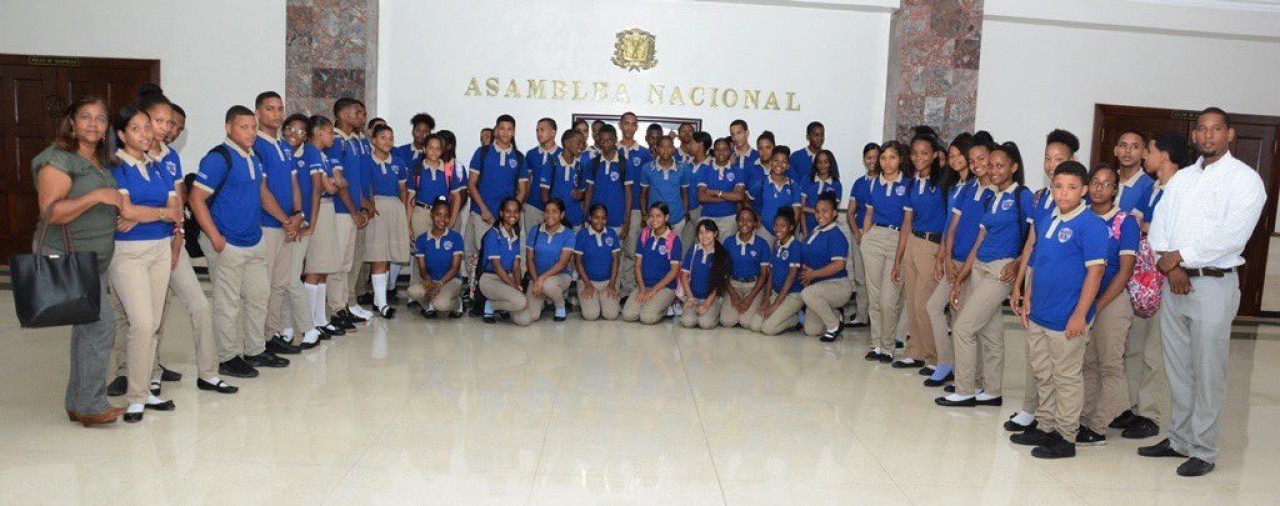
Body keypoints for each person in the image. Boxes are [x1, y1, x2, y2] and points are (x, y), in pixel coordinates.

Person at [1139, 107, 1266, 477]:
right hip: (1174, 280)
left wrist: (1184, 257)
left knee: (1208, 369)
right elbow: (1160, 226)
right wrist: (1173, 265)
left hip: (1213, 282)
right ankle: (1179, 437)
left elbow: (1232, 235)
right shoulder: (1182, 180)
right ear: (1194, 136)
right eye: (1202, 130)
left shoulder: (1245, 181)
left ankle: (1204, 448)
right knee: (1178, 366)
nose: (1208, 135)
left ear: (1230, 135)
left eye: (1217, 129)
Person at [33, 96, 128, 426]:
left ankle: (77, 402)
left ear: (106, 128)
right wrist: (96, 197)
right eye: (85, 117)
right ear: (71, 122)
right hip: (71, 257)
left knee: (86, 328)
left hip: (93, 260)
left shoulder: (98, 161)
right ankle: (91, 403)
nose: (93, 123)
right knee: (102, 325)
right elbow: (50, 211)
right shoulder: (58, 159)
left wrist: (113, 214)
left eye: (100, 119)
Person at [1009, 160, 1109, 460]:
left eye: (1072, 187)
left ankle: (1066, 436)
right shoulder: (1050, 218)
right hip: (1040, 311)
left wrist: (1080, 314)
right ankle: (1046, 424)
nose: (1064, 193)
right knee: (1043, 372)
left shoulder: (1091, 225)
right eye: (1058, 186)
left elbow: (1096, 273)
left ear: (1085, 190)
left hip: (1067, 318)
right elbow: (1037, 262)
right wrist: (1028, 297)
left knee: (1066, 377)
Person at [190, 105, 287, 380]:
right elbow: (195, 199)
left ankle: (255, 350)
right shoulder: (218, 158)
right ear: (228, 127)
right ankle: (227, 357)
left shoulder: (253, 156)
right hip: (226, 242)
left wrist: (285, 218)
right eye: (243, 126)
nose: (250, 132)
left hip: (253, 240)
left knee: (259, 296)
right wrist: (216, 238)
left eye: (253, 127)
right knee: (227, 303)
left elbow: (262, 193)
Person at [936, 141, 1031, 408]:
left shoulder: (1021, 196)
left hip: (1001, 271)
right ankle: (991, 390)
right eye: (991, 165)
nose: (994, 170)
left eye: (1000, 165)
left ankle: (965, 390)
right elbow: (979, 240)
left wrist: (1018, 262)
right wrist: (960, 278)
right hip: (979, 266)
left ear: (1013, 167)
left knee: (964, 328)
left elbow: (1033, 238)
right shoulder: (991, 197)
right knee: (990, 333)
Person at [107, 105, 183, 421]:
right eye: (136, 128)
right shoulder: (116, 168)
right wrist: (158, 214)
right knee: (140, 323)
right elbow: (126, 211)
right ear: (122, 135)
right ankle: (136, 395)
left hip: (160, 249)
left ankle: (146, 391)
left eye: (147, 128)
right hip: (128, 254)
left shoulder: (158, 166)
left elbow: (176, 207)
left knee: (152, 324)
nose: (145, 134)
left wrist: (149, 214)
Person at [1112, 132, 1190, 438]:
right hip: (1146, 278)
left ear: (1165, 156)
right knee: (1135, 347)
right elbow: (1138, 221)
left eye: (1150, 151)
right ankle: (1130, 407)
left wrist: (1147, 227)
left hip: (1165, 278)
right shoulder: (1156, 187)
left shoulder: (1181, 189)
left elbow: (1176, 231)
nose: (1145, 156)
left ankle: (1150, 413)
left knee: (1154, 352)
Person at [1006, 128, 1081, 432]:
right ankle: (1032, 410)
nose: (1051, 164)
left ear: (1071, 160)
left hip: (1063, 286)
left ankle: (1055, 421)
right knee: (1035, 351)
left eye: (1058, 158)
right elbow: (1031, 243)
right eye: (1048, 159)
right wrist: (1019, 284)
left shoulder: (1074, 201)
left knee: (1059, 361)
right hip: (1037, 277)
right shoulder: (1040, 198)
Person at [1075, 163, 1141, 447]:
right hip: (1084, 299)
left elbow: (1125, 270)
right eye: (1096, 182)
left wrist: (1098, 305)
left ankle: (1099, 427)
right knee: (1088, 364)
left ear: (1116, 190)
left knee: (1110, 366)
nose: (1100, 188)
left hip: (1112, 301)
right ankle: (1086, 419)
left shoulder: (1125, 222)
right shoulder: (1082, 217)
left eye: (1107, 184)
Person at [253, 92, 306, 356]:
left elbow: (294, 183)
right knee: (263, 285)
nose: (276, 113)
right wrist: (286, 220)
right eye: (270, 109)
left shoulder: (285, 145)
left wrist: (297, 214)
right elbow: (263, 193)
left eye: (279, 108)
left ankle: (271, 333)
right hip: (268, 226)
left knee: (280, 284)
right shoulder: (257, 145)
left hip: (288, 224)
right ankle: (257, 339)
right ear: (258, 113)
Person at [923, 132, 977, 388]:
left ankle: (958, 369)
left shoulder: (978, 188)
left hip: (968, 261)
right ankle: (947, 363)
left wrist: (962, 262)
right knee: (936, 307)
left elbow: (977, 228)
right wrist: (942, 257)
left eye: (959, 155)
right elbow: (949, 224)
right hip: (950, 258)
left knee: (959, 316)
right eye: (951, 155)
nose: (954, 160)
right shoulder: (954, 187)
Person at [891, 133, 947, 370]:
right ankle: (916, 352)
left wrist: (942, 255)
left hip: (932, 246)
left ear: (935, 154)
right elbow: (906, 223)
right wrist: (898, 259)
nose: (918, 157)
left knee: (925, 304)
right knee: (913, 303)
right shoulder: (912, 183)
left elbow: (949, 222)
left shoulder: (944, 183)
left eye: (925, 153)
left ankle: (934, 358)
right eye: (914, 153)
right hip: (913, 242)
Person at [299, 115, 350, 339]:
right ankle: (310, 321)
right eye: (330, 132)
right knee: (315, 268)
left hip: (327, 210)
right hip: (319, 210)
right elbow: (328, 187)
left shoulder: (323, 155)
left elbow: (335, 183)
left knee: (323, 269)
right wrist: (334, 182)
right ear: (319, 132)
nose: (333, 137)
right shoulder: (312, 152)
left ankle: (320, 319)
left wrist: (334, 182)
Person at [861, 141, 911, 362]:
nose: (886, 162)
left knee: (888, 298)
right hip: (874, 239)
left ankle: (888, 346)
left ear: (900, 159)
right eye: (883, 158)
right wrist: (864, 237)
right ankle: (876, 344)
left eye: (891, 157)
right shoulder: (874, 184)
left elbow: (909, 221)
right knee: (874, 297)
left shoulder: (908, 185)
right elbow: (868, 214)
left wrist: (901, 255)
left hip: (897, 239)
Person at [326, 98, 373, 326]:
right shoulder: (337, 141)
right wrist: (354, 210)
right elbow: (340, 181)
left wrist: (362, 204)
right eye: (358, 113)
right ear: (343, 115)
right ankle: (336, 310)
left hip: (351, 210)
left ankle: (343, 306)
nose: (362, 117)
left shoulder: (352, 141)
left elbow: (355, 181)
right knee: (338, 264)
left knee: (346, 263)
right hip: (340, 211)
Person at [467, 115, 524, 284]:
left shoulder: (519, 157)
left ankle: (503, 294)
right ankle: (479, 295)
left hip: (506, 219)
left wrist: (512, 214)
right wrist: (483, 209)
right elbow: (471, 184)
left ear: (513, 131)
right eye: (502, 128)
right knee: (484, 255)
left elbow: (523, 190)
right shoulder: (483, 152)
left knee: (505, 257)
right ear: (496, 130)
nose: (505, 132)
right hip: (483, 214)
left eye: (509, 129)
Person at [365, 124, 412, 318]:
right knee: (378, 256)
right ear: (374, 140)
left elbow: (403, 191)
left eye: (391, 138)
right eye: (383, 137)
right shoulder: (367, 161)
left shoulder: (399, 163)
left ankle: (379, 300)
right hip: (375, 209)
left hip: (394, 210)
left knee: (388, 256)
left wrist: (403, 216)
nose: (387, 141)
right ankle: (383, 305)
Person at [800, 193, 852, 342]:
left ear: (834, 213)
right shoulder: (816, 230)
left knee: (807, 294)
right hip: (819, 286)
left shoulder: (836, 235)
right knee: (811, 330)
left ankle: (834, 325)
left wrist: (813, 275)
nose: (820, 215)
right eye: (817, 211)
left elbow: (839, 265)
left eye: (825, 211)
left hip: (838, 286)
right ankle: (836, 315)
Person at [622, 202, 683, 324]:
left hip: (665, 288)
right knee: (628, 315)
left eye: (658, 216)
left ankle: (668, 306)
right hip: (644, 285)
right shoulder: (644, 235)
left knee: (647, 318)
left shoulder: (673, 239)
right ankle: (652, 303)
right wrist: (642, 288)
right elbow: (638, 265)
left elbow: (674, 271)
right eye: (652, 216)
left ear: (666, 218)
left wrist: (652, 291)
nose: (654, 219)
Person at [747, 208, 804, 335]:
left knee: (768, 329)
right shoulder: (777, 244)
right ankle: (782, 314)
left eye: (783, 225)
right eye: (776, 225)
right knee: (755, 325)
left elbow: (791, 277)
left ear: (791, 227)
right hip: (776, 293)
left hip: (792, 295)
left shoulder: (795, 246)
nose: (778, 229)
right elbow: (771, 274)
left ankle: (796, 319)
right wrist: (767, 300)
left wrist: (775, 305)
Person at [520, 198, 576, 324]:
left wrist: (541, 279)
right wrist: (535, 280)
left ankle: (560, 306)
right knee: (532, 316)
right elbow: (530, 259)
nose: (550, 215)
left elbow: (562, 263)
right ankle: (545, 300)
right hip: (536, 277)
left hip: (560, 277)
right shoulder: (535, 230)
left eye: (555, 211)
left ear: (562, 215)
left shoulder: (568, 234)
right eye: (547, 211)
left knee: (547, 285)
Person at [407, 196, 465, 318]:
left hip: (450, 280)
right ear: (432, 215)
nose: (442, 219)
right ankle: (429, 306)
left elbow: (455, 268)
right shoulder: (422, 239)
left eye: (446, 215)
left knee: (442, 306)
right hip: (431, 280)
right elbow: (422, 268)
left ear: (449, 218)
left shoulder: (456, 238)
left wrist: (439, 284)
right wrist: (428, 280)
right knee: (412, 292)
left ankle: (458, 304)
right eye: (438, 215)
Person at [617, 115, 652, 298]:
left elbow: (648, 186)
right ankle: (613, 289)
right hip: (615, 209)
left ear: (636, 127)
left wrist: (646, 214)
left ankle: (628, 291)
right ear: (620, 125)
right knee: (614, 251)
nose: (629, 127)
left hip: (637, 210)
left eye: (633, 124)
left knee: (632, 252)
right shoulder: (612, 149)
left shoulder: (645, 153)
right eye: (626, 124)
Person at [845, 142, 879, 328]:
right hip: (858, 234)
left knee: (876, 279)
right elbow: (851, 211)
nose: (872, 161)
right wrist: (857, 233)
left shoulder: (885, 181)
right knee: (860, 277)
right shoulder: (859, 183)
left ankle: (877, 319)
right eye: (868, 157)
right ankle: (861, 315)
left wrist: (868, 234)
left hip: (877, 236)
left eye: (875, 156)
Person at [477, 197, 526, 323]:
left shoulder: (515, 235)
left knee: (524, 320)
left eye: (516, 212)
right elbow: (498, 267)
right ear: (501, 213)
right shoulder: (493, 235)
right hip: (490, 280)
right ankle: (490, 306)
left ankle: (500, 305)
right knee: (521, 301)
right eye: (508, 211)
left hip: (507, 280)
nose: (512, 215)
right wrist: (515, 287)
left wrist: (519, 285)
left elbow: (516, 266)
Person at [721, 208, 770, 328]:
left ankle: (749, 306)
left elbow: (764, 275)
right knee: (727, 322)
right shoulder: (728, 242)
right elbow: (723, 272)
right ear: (736, 222)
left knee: (746, 322)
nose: (744, 223)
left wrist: (749, 299)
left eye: (749, 220)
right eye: (741, 220)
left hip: (754, 286)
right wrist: (733, 294)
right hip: (733, 285)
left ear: (755, 223)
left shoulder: (762, 244)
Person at [679, 218, 731, 329]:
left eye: (708, 232)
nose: (704, 235)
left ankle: (715, 313)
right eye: (701, 232)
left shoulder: (722, 254)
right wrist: (690, 298)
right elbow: (684, 276)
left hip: (712, 298)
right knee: (688, 322)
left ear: (715, 233)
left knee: (705, 323)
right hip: (693, 296)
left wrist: (707, 304)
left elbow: (718, 284)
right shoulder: (694, 249)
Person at [575, 204, 623, 321]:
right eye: (596, 217)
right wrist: (588, 284)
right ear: (590, 218)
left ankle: (603, 299)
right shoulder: (582, 234)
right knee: (591, 316)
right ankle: (589, 300)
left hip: (607, 282)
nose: (600, 221)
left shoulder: (611, 233)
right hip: (587, 282)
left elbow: (616, 260)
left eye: (603, 218)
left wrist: (612, 284)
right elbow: (577, 261)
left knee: (611, 315)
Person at [639, 136, 691, 237]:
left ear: (673, 149)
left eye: (669, 147)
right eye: (662, 147)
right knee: (654, 250)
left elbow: (685, 194)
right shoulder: (647, 168)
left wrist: (685, 215)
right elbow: (643, 195)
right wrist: (644, 215)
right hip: (655, 220)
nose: (665, 150)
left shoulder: (683, 168)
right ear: (657, 149)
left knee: (674, 251)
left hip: (677, 219)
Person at [697, 137, 746, 240]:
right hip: (707, 217)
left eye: (725, 149)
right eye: (718, 149)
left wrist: (715, 192)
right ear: (714, 151)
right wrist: (728, 196)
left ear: (730, 151)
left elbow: (739, 196)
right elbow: (701, 197)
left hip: (729, 218)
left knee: (724, 252)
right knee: (707, 250)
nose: (721, 152)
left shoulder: (737, 170)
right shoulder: (704, 169)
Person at [521, 118, 560, 239]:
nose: (539, 133)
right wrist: (523, 202)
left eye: (542, 130)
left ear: (553, 132)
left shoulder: (562, 154)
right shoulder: (531, 154)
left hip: (554, 209)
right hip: (532, 206)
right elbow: (526, 180)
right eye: (537, 130)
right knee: (531, 241)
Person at [542, 130, 587, 229]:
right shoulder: (551, 163)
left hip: (576, 220)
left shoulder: (580, 167)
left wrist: (581, 195)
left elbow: (584, 193)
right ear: (566, 143)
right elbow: (544, 194)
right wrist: (552, 216)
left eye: (583, 143)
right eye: (578, 142)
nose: (582, 146)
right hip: (556, 222)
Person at [758, 146, 802, 246]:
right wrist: (756, 217)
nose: (779, 164)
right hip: (765, 230)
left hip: (785, 233)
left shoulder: (793, 186)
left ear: (788, 165)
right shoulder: (761, 183)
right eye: (776, 160)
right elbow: (748, 200)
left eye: (783, 161)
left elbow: (796, 212)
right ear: (770, 162)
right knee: (764, 260)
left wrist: (789, 231)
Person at [801, 149, 841, 236]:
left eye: (826, 162)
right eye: (819, 162)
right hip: (807, 228)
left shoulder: (836, 184)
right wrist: (805, 233)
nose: (822, 165)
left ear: (831, 163)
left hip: (827, 232)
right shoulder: (807, 179)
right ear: (815, 164)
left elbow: (832, 212)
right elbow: (801, 209)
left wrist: (812, 210)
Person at [1114, 129, 1153, 216]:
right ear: (1115, 150)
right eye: (1123, 145)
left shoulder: (1150, 187)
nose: (1127, 150)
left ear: (1144, 153)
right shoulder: (1105, 180)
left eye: (1135, 146)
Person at [681, 131, 711, 246]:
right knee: (684, 247)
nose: (688, 145)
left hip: (703, 212)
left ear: (700, 145)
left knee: (702, 246)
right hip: (686, 212)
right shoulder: (685, 164)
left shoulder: (711, 165)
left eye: (691, 142)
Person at [745, 131, 776, 220]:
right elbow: (744, 200)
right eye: (760, 148)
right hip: (756, 220)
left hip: (781, 221)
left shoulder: (784, 168)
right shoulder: (749, 168)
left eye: (767, 147)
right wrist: (755, 217)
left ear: (774, 148)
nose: (764, 151)